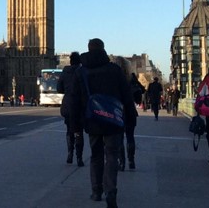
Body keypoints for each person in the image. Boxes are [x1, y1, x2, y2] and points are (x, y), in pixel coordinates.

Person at [79, 38, 136, 207]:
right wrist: (130, 117)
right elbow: (127, 96)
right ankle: (111, 190)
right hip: (113, 119)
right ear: (103, 49)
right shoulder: (115, 70)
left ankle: (96, 191)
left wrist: (78, 121)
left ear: (88, 49)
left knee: (96, 156)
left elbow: (75, 98)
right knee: (112, 156)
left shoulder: (82, 72)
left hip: (93, 119)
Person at [57, 52, 84, 166]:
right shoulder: (82, 72)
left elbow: (59, 89)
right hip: (79, 105)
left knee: (69, 130)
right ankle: (79, 158)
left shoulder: (64, 72)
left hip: (68, 104)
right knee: (78, 131)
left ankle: (70, 154)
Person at [121, 71, 145, 170]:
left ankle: (121, 162)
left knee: (119, 138)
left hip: (119, 112)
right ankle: (131, 160)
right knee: (130, 136)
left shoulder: (117, 80)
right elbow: (141, 93)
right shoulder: (132, 83)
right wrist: (135, 80)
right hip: (130, 112)